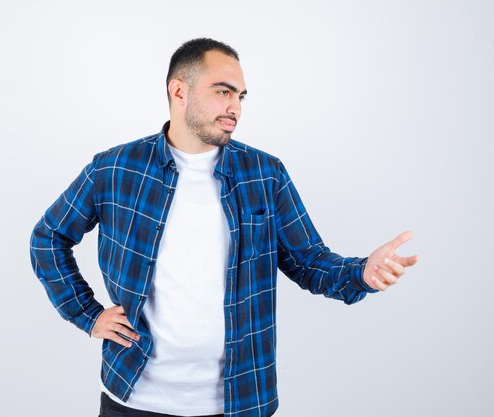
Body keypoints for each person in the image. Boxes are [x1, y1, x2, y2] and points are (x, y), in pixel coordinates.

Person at [29, 38, 419, 417]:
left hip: (239, 400)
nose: (235, 107)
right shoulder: (115, 169)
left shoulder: (265, 175)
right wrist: (88, 314)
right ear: (179, 91)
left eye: (241, 96)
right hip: (134, 399)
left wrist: (361, 273)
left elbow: (308, 261)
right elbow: (48, 238)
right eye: (223, 92)